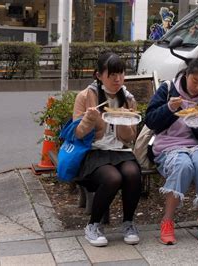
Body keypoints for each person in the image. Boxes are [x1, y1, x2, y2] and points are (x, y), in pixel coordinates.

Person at [145, 56, 198, 245]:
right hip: (169, 145)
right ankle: (167, 220)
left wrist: (195, 121)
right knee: (182, 164)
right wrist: (169, 108)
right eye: (195, 81)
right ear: (187, 74)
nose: (197, 88)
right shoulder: (168, 89)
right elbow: (151, 121)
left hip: (197, 145)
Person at [73, 52, 142, 247]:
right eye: (112, 74)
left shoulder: (128, 99)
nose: (118, 79)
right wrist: (89, 119)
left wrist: (123, 121)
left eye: (121, 73)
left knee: (132, 173)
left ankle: (128, 223)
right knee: (113, 177)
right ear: (99, 75)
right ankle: (93, 225)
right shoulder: (86, 96)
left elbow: (130, 138)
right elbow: (76, 134)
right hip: (94, 152)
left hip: (120, 151)